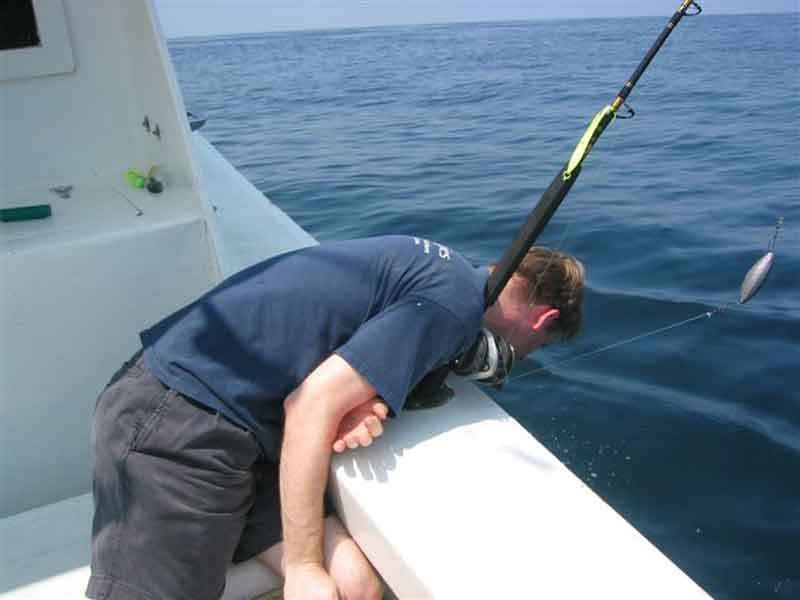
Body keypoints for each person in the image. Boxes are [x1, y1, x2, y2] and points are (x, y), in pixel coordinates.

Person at [87, 235, 584, 600]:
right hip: (179, 419)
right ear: (543, 321)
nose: (521, 354)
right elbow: (309, 405)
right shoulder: (452, 307)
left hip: (245, 436)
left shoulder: (445, 272)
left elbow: (333, 373)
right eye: (533, 348)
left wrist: (364, 403)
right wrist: (302, 567)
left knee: (355, 586)